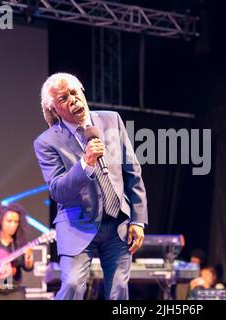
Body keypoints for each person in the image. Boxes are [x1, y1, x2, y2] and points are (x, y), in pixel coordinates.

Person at [33, 72, 148, 300]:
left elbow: (132, 171)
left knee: (119, 291)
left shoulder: (111, 119)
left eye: (75, 93)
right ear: (54, 110)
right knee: (74, 286)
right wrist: (85, 162)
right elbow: (58, 191)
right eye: (63, 98)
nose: (73, 100)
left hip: (118, 224)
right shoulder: (46, 142)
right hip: (77, 225)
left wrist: (137, 219)